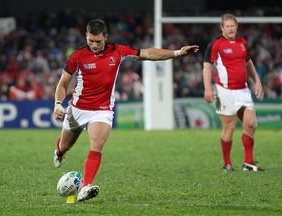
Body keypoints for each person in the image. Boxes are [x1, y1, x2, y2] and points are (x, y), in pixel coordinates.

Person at [53, 18, 199, 201]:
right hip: (77, 108)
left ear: (105, 37)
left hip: (102, 109)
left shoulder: (118, 51)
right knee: (65, 146)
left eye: (98, 41)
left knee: (97, 142)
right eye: (91, 41)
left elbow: (149, 54)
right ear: (86, 36)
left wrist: (177, 52)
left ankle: (86, 186)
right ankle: (59, 152)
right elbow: (63, 84)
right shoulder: (78, 56)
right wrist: (58, 103)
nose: (94, 45)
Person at [203, 14, 265, 172]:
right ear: (222, 28)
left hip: (243, 90)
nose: (230, 28)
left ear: (237, 27)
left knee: (251, 124)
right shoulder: (216, 44)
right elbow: (207, 67)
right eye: (227, 26)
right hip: (225, 91)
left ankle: (248, 162)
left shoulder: (242, 42)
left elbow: (248, 63)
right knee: (229, 128)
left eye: (233, 26)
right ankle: (227, 163)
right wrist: (208, 88)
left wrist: (257, 80)